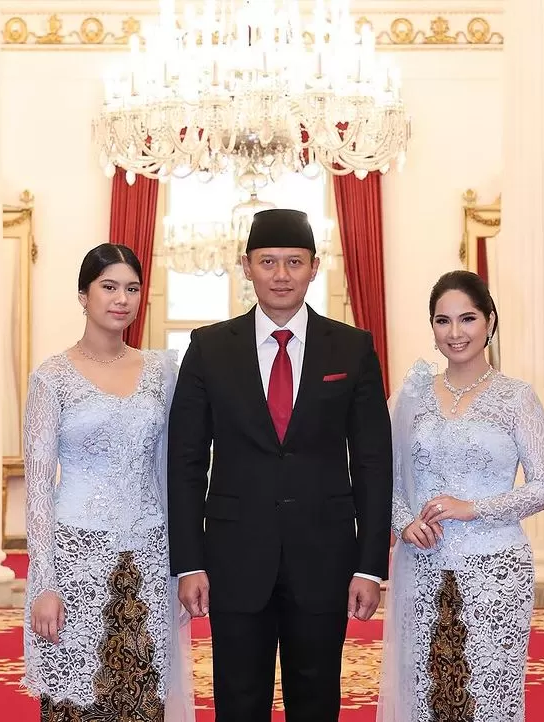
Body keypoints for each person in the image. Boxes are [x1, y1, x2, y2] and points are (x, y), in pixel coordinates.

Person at [167, 208, 393, 722]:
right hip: (233, 557)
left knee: (316, 700)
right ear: (245, 267)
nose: (281, 274)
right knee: (238, 700)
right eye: (268, 261)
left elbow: (374, 462)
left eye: (294, 262)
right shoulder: (207, 348)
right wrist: (190, 561)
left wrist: (369, 565)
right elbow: (185, 463)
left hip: (326, 557)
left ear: (316, 267)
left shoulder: (353, 348)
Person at [21, 243, 193, 722]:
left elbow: (168, 473)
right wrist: (44, 584)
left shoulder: (162, 372)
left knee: (142, 696)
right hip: (75, 553)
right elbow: (37, 487)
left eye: (132, 288)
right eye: (109, 287)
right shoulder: (51, 377)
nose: (122, 299)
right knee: (76, 701)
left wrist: (181, 566)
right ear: (83, 295)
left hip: (149, 555)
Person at [377, 270, 544, 722]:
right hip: (421, 565)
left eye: (467, 319)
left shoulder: (517, 398)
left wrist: (472, 508)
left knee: (488, 693)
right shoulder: (411, 397)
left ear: (490, 321)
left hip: (496, 566)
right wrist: (404, 522)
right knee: (425, 690)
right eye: (443, 321)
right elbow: (383, 476)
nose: (455, 333)